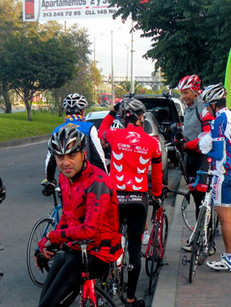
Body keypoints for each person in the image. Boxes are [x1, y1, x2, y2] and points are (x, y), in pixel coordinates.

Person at [37, 128, 122, 307]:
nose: (66, 163)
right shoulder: (64, 179)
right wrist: (48, 245)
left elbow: (90, 230)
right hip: (77, 249)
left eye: (71, 156)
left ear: (83, 155)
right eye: (60, 157)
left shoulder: (97, 182)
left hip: (100, 253)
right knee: (43, 301)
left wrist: (51, 237)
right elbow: (68, 217)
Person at [99, 98, 162, 307]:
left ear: (123, 118)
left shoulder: (115, 135)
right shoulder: (153, 142)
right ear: (141, 118)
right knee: (135, 248)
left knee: (110, 241)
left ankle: (107, 281)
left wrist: (111, 112)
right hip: (139, 198)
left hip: (116, 196)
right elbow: (158, 174)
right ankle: (131, 297)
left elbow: (100, 134)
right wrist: (156, 195)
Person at [200, 83, 231, 272]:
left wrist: (206, 153)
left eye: (206, 105)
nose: (206, 109)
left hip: (223, 174)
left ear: (213, 104)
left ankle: (229, 260)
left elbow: (218, 154)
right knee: (230, 216)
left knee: (225, 218)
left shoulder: (218, 120)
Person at [177, 75, 214, 251]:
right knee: (196, 197)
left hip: (202, 157)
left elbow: (208, 135)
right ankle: (201, 235)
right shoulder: (190, 108)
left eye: (186, 93)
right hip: (190, 157)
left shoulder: (203, 109)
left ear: (195, 91)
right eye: (182, 93)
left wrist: (188, 144)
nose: (183, 96)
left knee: (202, 200)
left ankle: (203, 238)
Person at [45, 93, 107, 182]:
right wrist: (104, 177)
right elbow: (98, 154)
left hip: (66, 177)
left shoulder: (57, 130)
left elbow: (50, 158)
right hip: (87, 176)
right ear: (82, 111)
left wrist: (49, 179)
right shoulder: (89, 128)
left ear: (66, 111)